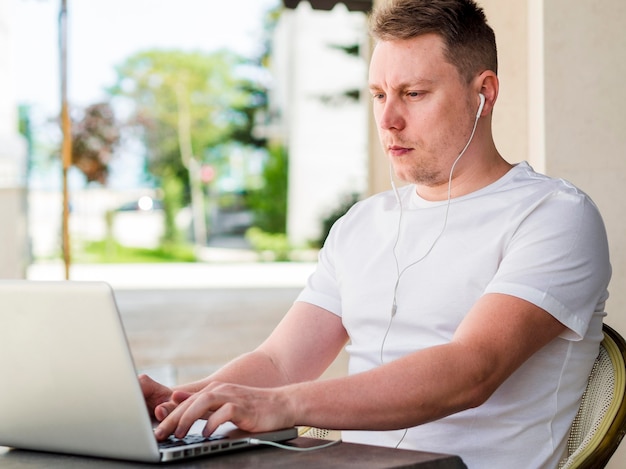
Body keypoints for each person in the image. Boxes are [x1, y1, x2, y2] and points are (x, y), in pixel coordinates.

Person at [140, 0, 611, 467]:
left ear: (483, 94)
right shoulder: (361, 225)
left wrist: (283, 405)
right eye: (379, 95)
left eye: (414, 93)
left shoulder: (554, 216)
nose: (388, 119)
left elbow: (471, 370)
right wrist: (178, 403)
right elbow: (280, 364)